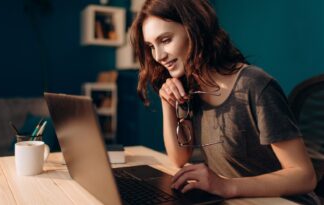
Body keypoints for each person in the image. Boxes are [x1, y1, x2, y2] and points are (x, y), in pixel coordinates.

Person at [130, 0, 320, 204]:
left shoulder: (254, 85)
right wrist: (167, 101)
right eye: (151, 46)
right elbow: (179, 159)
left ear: (195, 30)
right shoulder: (192, 87)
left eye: (165, 40)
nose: (158, 56)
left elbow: (304, 176)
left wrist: (225, 186)